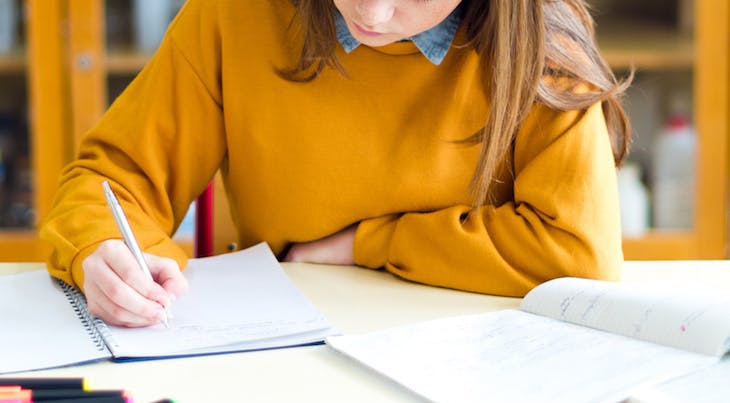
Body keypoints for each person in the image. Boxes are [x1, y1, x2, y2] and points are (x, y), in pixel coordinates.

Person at [40, 0, 632, 327]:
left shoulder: (545, 49)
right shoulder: (233, 15)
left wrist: (367, 243)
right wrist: (101, 250)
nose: (372, 13)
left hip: (480, 368)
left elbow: (579, 253)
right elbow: (110, 180)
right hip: (284, 358)